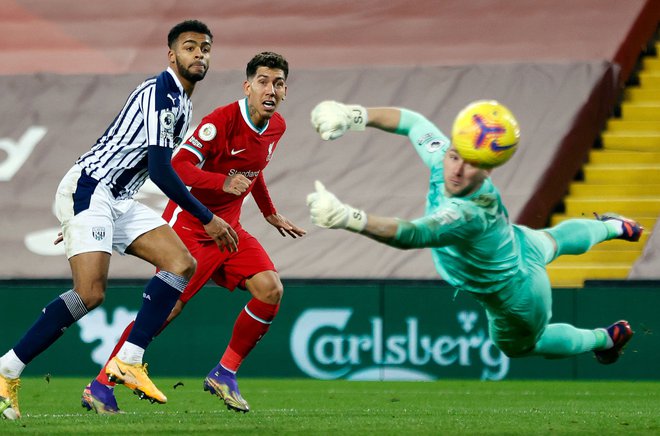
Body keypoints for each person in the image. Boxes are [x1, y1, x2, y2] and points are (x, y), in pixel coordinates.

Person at [0, 20, 241, 420]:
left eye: (205, 48)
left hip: (115, 198)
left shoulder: (182, 101)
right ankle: (8, 368)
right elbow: (162, 173)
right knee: (90, 293)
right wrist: (208, 218)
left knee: (181, 263)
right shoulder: (162, 94)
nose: (199, 54)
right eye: (189, 47)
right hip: (92, 189)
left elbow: (131, 154)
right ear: (172, 55)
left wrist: (85, 219)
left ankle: (128, 358)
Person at [305, 100, 639, 370]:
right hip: (517, 243)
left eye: (468, 164)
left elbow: (412, 235)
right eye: (453, 156)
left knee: (522, 346)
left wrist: (349, 217)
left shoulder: (469, 212)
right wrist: (353, 115)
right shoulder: (447, 161)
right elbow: (412, 121)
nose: (456, 169)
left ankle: (605, 339)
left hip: (517, 295)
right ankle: (616, 226)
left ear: (488, 170)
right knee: (554, 239)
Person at [80, 52, 305, 415]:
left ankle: (224, 373)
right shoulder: (220, 121)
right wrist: (220, 181)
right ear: (247, 86)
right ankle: (101, 385)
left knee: (271, 289)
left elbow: (253, 168)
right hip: (192, 226)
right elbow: (177, 166)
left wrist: (269, 212)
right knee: (165, 312)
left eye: (278, 83)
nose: (270, 89)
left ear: (285, 91)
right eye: (263, 81)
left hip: (230, 230)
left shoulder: (276, 127)